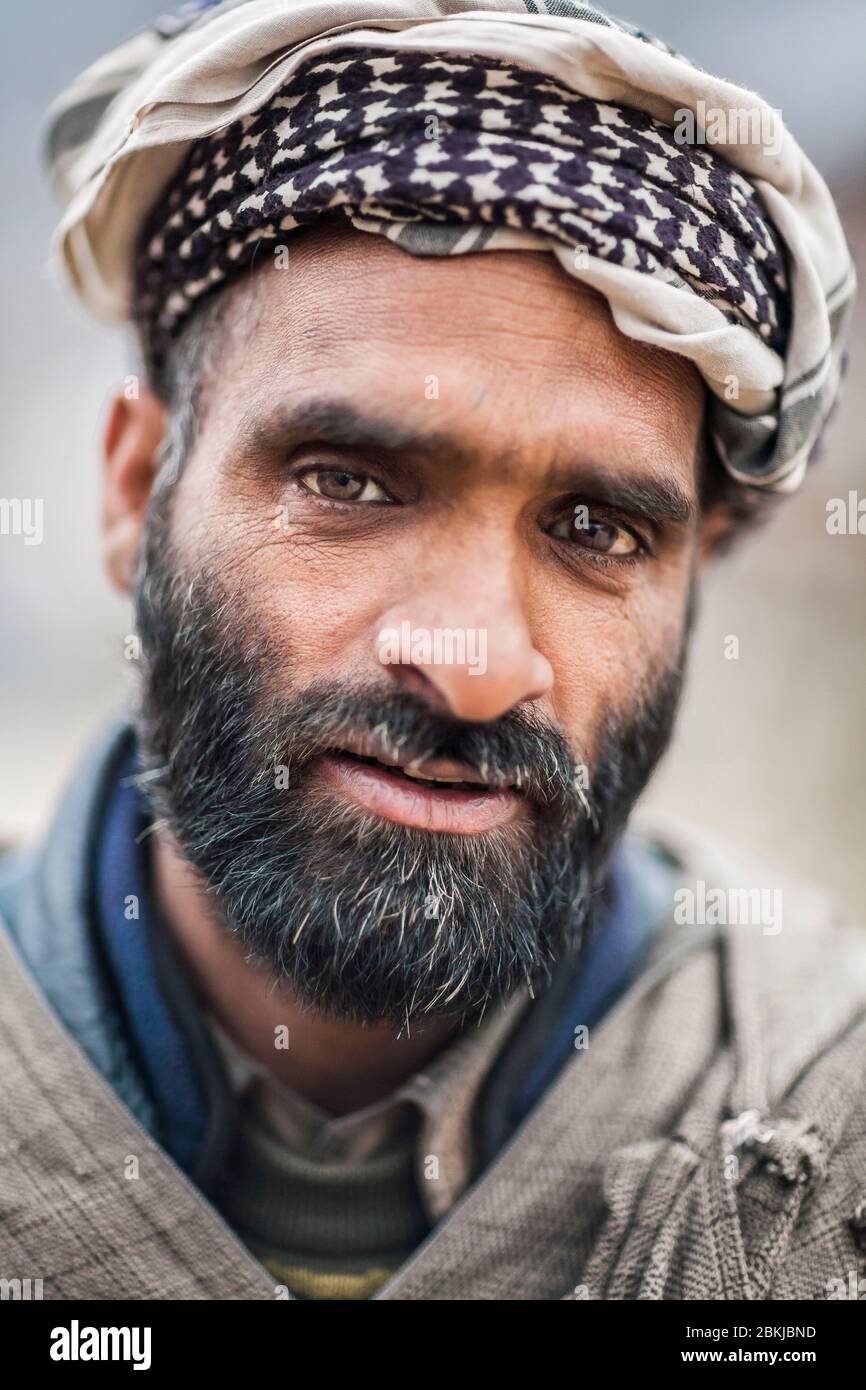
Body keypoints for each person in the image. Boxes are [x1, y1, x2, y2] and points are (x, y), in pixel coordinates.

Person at [1, 0, 863, 1301]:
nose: (470, 661)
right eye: (346, 482)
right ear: (135, 492)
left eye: (593, 528)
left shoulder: (823, 1122)